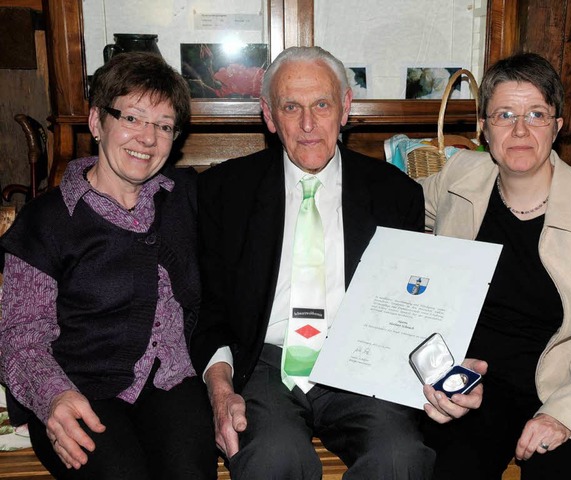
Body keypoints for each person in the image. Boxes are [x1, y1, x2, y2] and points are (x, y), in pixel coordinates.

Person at [192, 46, 485, 480]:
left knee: (399, 456)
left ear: (345, 107)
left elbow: (415, 305)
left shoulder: (394, 193)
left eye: (322, 105)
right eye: (291, 107)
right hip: (265, 363)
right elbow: (209, 308)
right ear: (270, 116)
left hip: (361, 363)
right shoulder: (224, 190)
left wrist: (446, 369)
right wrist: (220, 390)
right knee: (274, 458)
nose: (308, 124)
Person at [418, 52, 571, 479]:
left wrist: (562, 415)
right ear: (483, 128)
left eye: (536, 114)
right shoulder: (458, 177)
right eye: (505, 114)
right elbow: (396, 207)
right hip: (479, 386)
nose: (520, 129)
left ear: (557, 127)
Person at [0, 52, 217, 480]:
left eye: (164, 125)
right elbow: (20, 335)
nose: (148, 138)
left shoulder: (187, 198)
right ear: (98, 122)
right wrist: (53, 398)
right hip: (76, 387)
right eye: (133, 118)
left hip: (171, 381)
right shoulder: (47, 221)